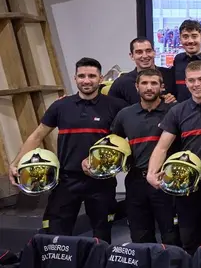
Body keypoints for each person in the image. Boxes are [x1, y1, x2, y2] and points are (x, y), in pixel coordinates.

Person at [9, 58, 126, 241]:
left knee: (102, 234)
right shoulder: (61, 106)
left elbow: (127, 141)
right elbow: (37, 136)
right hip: (66, 179)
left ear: (100, 78)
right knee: (57, 235)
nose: (86, 80)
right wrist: (15, 163)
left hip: (101, 181)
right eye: (82, 76)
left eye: (91, 76)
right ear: (75, 78)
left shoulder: (115, 107)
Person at [147, 60, 201, 254]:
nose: (196, 84)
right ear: (185, 82)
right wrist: (152, 173)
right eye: (191, 80)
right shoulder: (177, 111)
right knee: (189, 238)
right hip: (186, 184)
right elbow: (161, 147)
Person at [107, 68, 177, 245]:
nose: (149, 87)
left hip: (167, 180)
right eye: (144, 83)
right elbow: (113, 143)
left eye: (154, 83)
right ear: (137, 87)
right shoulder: (125, 115)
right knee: (140, 236)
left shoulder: (174, 111)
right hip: (136, 181)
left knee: (172, 236)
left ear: (162, 87)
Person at [108, 37, 176, 105]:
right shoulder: (121, 83)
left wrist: (173, 100)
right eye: (139, 52)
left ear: (154, 53)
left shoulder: (171, 75)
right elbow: (111, 109)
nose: (145, 56)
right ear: (132, 56)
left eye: (148, 51)